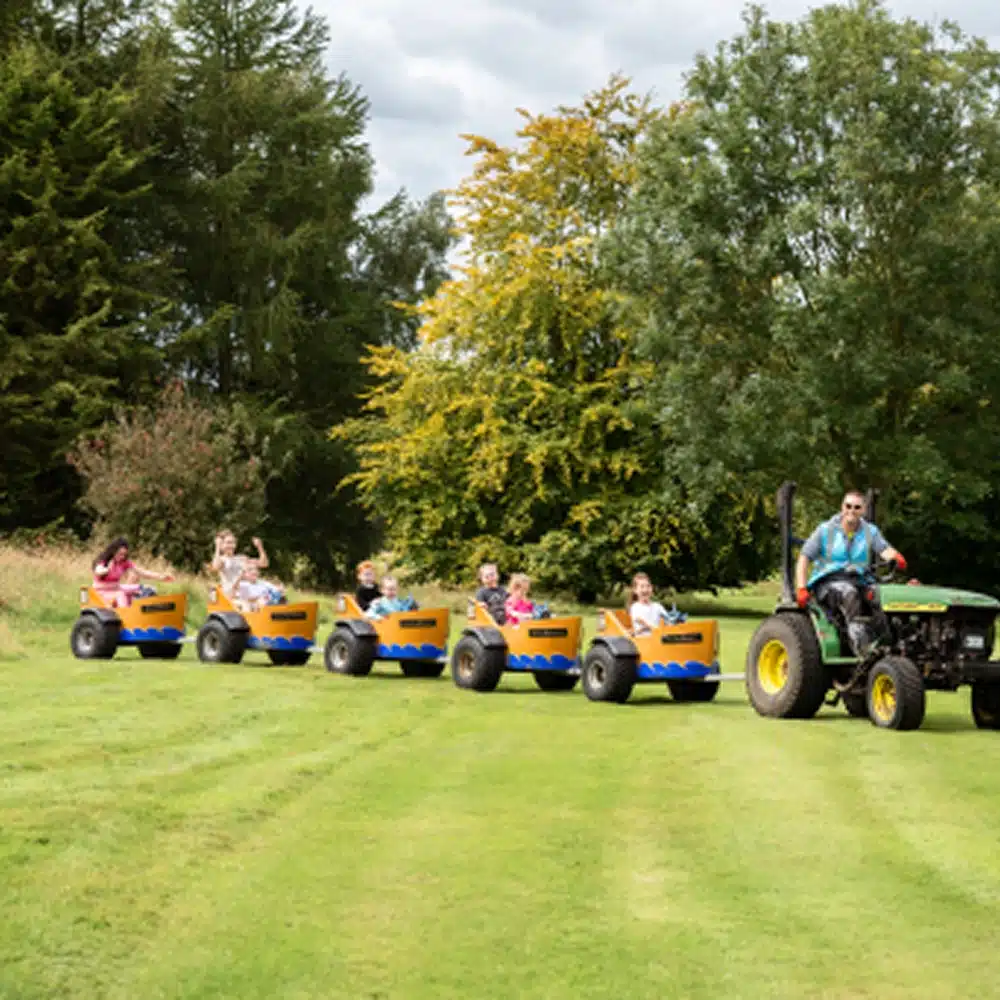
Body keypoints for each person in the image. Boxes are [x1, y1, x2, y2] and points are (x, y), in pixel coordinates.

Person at [796, 490, 906, 656]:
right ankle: (861, 649)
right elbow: (804, 558)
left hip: (860, 580)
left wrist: (896, 557)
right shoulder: (825, 530)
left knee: (881, 596)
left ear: (863, 510)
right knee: (849, 593)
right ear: (842, 507)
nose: (851, 511)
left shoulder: (870, 531)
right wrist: (801, 587)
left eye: (856, 507)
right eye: (848, 506)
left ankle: (888, 642)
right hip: (828, 583)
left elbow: (884, 550)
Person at [92, 537, 173, 608]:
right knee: (120, 594)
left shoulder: (124, 562)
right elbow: (98, 571)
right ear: (113, 551)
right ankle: (126, 617)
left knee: (147, 589)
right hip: (102, 591)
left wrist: (161, 577)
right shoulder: (104, 561)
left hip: (117, 587)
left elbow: (141, 572)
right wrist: (107, 570)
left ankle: (144, 614)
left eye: (124, 554)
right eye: (120, 554)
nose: (122, 557)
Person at [211, 530, 269, 597]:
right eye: (228, 543)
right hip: (231, 594)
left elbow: (264, 563)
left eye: (233, 543)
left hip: (245, 592)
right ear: (221, 544)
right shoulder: (222, 560)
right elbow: (215, 566)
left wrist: (260, 547)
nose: (232, 546)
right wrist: (217, 547)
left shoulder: (241, 558)